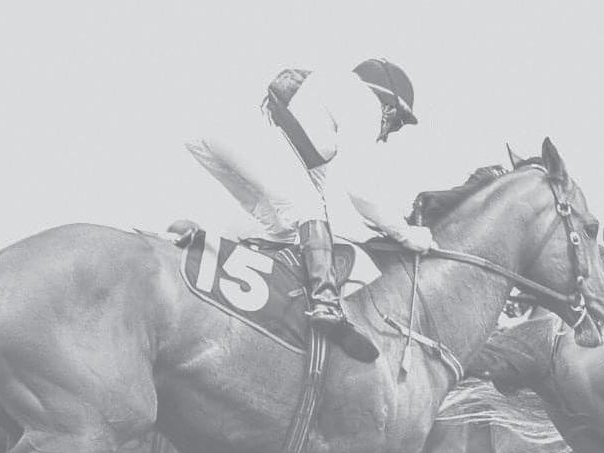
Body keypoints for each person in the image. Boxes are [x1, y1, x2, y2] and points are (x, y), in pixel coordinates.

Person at [185, 59, 432, 363]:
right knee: (305, 209)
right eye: (396, 125)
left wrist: (383, 226)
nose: (387, 135)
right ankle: (326, 304)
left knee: (280, 226)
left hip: (211, 134)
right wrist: (406, 234)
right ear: (389, 108)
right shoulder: (366, 102)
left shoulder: (323, 115)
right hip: (235, 130)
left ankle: (204, 255)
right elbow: (358, 189)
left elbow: (325, 204)